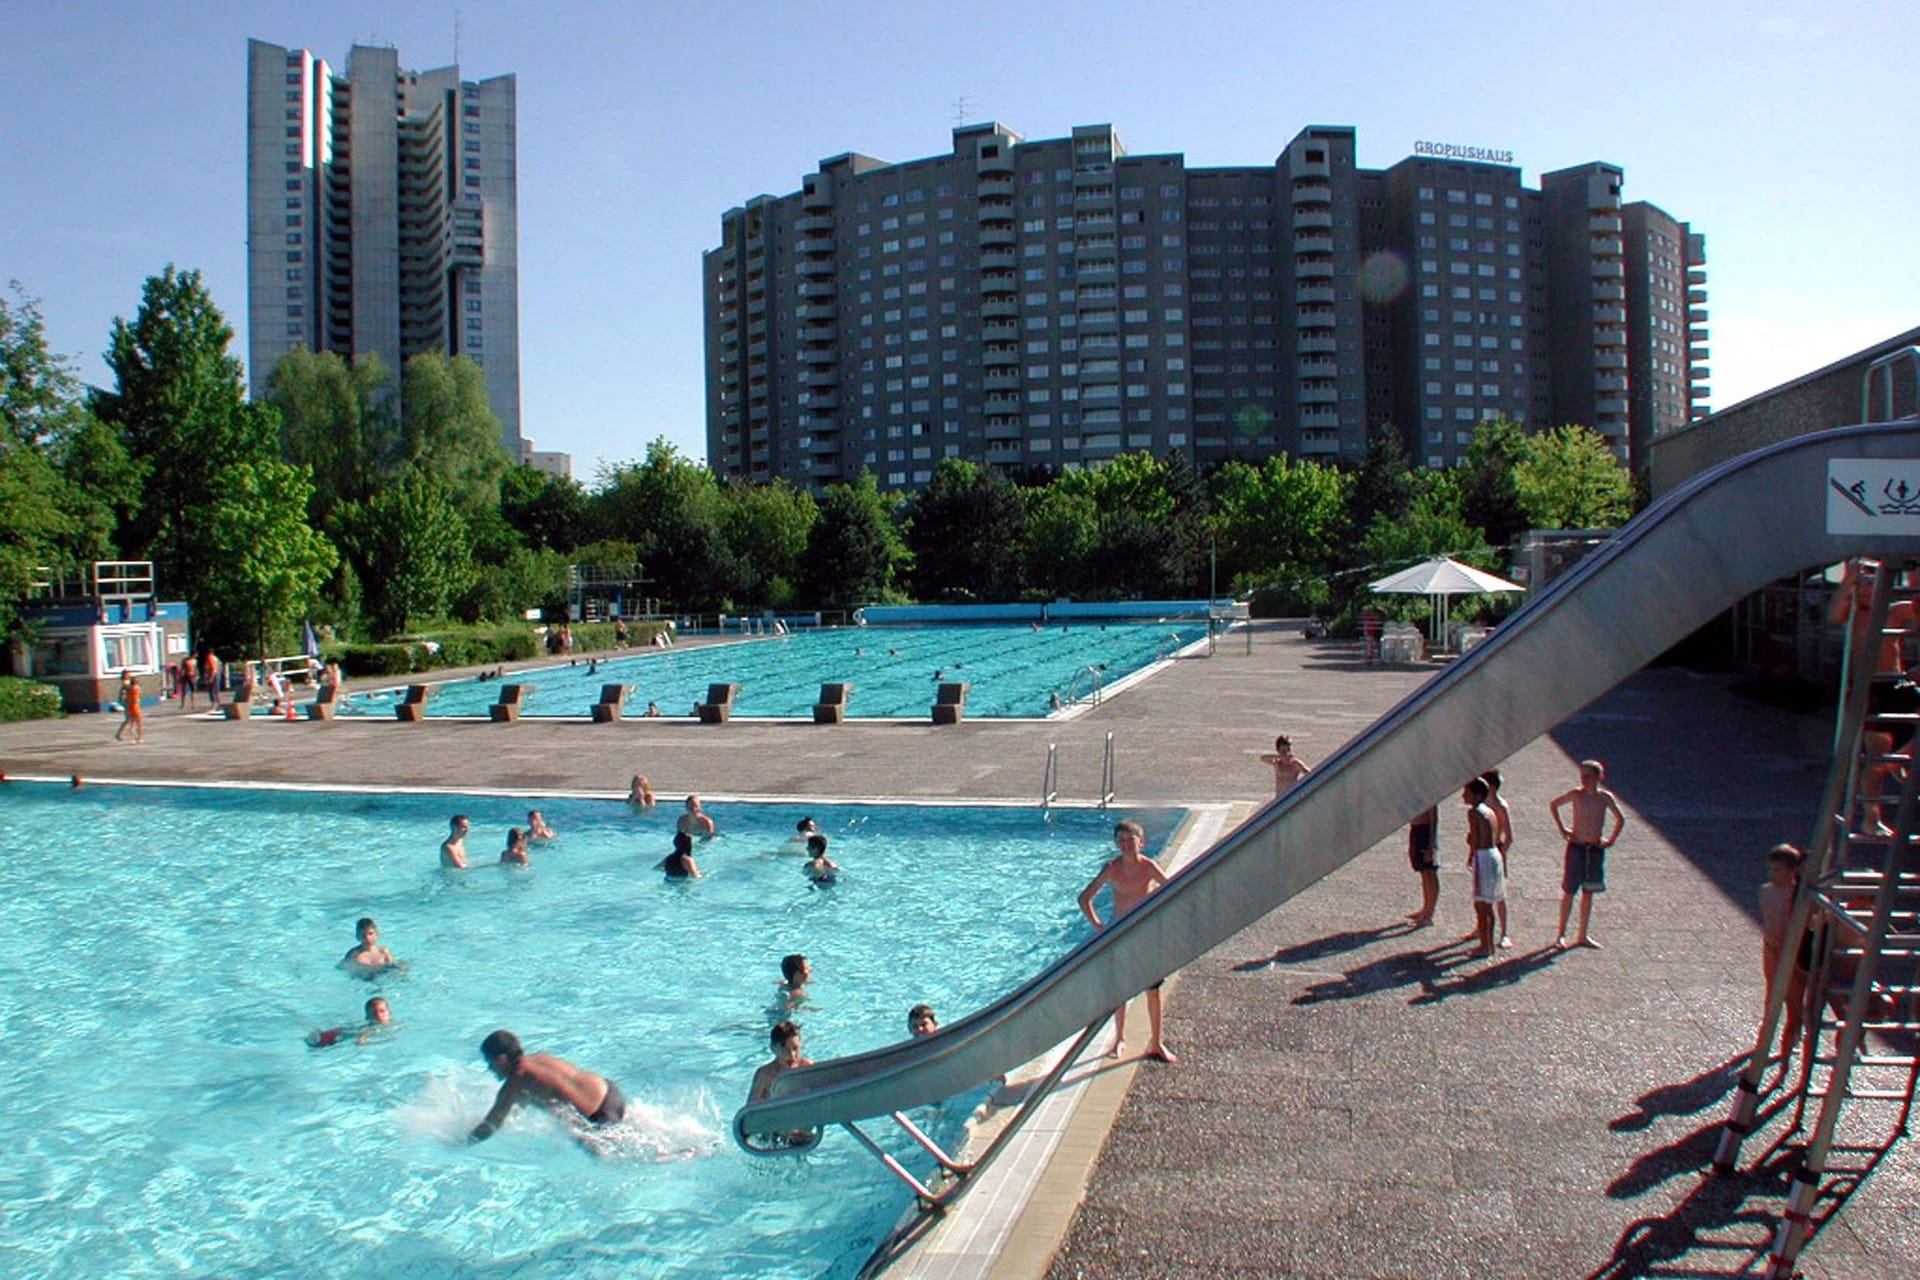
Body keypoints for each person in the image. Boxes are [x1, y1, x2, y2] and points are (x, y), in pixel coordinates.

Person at [1078, 819, 1177, 1062]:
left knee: (1152, 991)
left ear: (1141, 843)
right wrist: (1100, 927)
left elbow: (1173, 891)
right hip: (1120, 934)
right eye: (1120, 840)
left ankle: (1156, 1042)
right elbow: (1084, 898)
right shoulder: (1112, 868)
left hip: (1144, 935)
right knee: (1120, 992)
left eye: (1129, 839)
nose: (1124, 844)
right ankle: (1119, 1039)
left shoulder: (1149, 867)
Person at [470, 1029, 625, 1142]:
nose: (490, 1069)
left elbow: (489, 1127)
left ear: (501, 1059)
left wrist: (460, 1144)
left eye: (490, 1063)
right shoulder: (541, 1057)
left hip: (599, 1117)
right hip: (610, 1093)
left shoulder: (514, 1085)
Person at [1549, 759, 1626, 948]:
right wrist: (1562, 829)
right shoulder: (1576, 795)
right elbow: (1554, 805)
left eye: (1588, 776)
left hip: (1594, 849)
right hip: (1577, 846)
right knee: (1569, 891)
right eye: (1582, 775)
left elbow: (1620, 818)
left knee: (1588, 892)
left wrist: (1610, 840)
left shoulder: (1604, 798)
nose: (1583, 779)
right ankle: (1561, 934)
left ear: (1599, 777)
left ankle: (1582, 934)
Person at [1761, 843, 1809, 1059]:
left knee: (1795, 1001)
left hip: (1795, 952)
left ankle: (1790, 1039)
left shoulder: (1799, 894)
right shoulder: (1767, 891)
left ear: (1792, 871)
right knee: (1772, 996)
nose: (1772, 874)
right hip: (1774, 951)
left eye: (1778, 870)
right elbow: (1771, 924)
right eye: (1771, 869)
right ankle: (1765, 1040)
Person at [1463, 778, 1504, 959]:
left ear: (1477, 795)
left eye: (1467, 793)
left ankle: (1484, 945)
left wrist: (1470, 852)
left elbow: (1475, 839)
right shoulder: (1490, 811)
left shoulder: (1474, 813)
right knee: (1489, 903)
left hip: (1483, 857)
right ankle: (1489, 943)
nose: (1464, 796)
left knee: (1481, 904)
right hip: (1494, 855)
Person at [1482, 769, 1515, 948]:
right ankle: (1481, 926)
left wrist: (1501, 854)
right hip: (1481, 850)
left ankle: (1504, 933)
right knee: (1481, 893)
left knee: (1499, 895)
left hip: (1495, 851)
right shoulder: (1482, 803)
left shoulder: (1500, 806)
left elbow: (1509, 836)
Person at [748, 1020, 814, 1103]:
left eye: (795, 1048)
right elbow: (751, 1109)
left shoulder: (808, 1068)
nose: (791, 1055)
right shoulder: (765, 1075)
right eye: (784, 1049)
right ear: (773, 1048)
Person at [308, 996, 394, 1048]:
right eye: (374, 1013)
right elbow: (361, 1042)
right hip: (333, 1037)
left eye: (382, 1011)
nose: (379, 1015)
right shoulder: (371, 1029)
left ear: (389, 1013)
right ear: (367, 1017)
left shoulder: (392, 1025)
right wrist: (385, 1041)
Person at [1406, 803, 1440, 927]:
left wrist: (1432, 844)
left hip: (1425, 831)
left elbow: (1434, 819)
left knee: (1430, 872)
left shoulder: (1430, 794)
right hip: (1416, 829)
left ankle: (1429, 914)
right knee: (1423, 872)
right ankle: (1425, 908)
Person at [115, 669, 144, 743]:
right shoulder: (126, 683)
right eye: (127, 674)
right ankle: (120, 734)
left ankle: (119, 734)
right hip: (128, 703)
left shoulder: (129, 683)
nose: (128, 675)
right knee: (130, 720)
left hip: (130, 702)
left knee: (129, 720)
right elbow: (126, 691)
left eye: (128, 673)